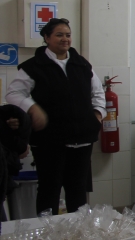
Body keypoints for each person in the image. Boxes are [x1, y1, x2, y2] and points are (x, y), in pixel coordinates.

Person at [6, 18, 105, 215]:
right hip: (49, 142)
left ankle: (78, 230)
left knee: (78, 191)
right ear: (47, 38)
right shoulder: (33, 66)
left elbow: (98, 93)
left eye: (68, 35)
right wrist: (32, 108)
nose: (65, 39)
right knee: (49, 190)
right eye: (59, 35)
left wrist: (97, 115)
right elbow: (13, 94)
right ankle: (46, 231)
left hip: (82, 140)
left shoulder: (82, 64)